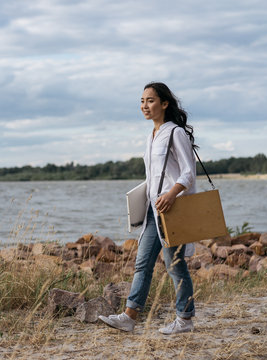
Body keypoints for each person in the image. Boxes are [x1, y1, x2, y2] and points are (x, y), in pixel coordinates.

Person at [99, 82, 197, 334]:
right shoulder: (151, 136)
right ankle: (130, 317)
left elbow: (188, 172)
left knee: (174, 265)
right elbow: (153, 175)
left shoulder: (175, 133)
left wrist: (172, 194)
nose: (145, 106)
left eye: (150, 100)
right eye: (142, 101)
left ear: (165, 103)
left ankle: (184, 320)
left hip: (172, 208)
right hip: (154, 209)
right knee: (142, 262)